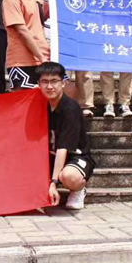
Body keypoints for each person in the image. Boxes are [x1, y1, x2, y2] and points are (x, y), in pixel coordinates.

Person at [49, 0, 97, 117]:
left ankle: (86, 105)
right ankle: (65, 103)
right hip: (62, 21)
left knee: (84, 67)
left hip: (83, 21)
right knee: (64, 65)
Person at [39, 62, 95, 210]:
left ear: (63, 83)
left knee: (69, 176)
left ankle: (78, 190)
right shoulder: (40, 105)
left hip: (75, 157)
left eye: (54, 81)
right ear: (39, 84)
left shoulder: (70, 108)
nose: (49, 86)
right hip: (50, 156)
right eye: (45, 82)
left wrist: (53, 183)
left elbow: (62, 148)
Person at [2, 0, 49, 90]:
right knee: (24, 101)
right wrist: (41, 57)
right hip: (21, 61)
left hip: (43, 58)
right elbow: (22, 31)